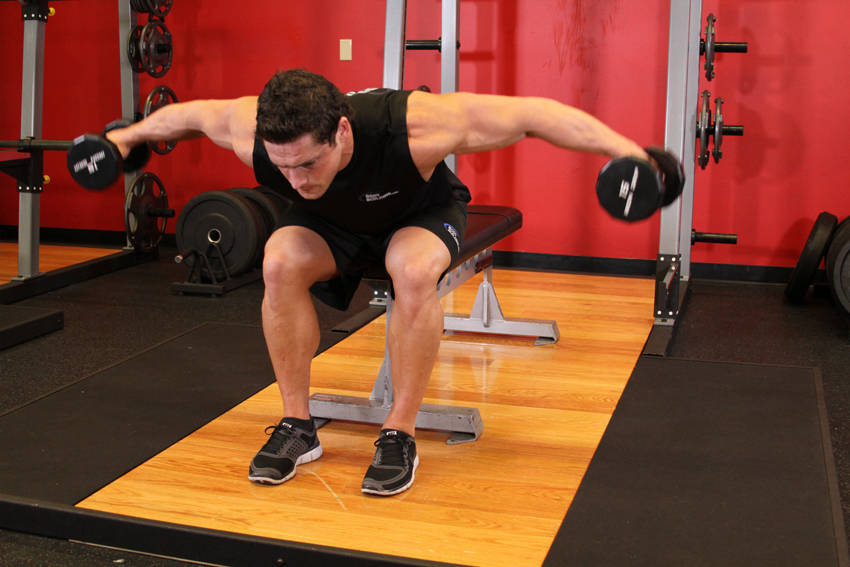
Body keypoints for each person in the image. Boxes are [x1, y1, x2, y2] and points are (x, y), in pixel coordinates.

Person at [107, 68, 651, 497]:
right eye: (284, 167)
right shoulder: (247, 128)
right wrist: (122, 141)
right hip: (332, 226)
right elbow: (178, 120)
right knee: (278, 262)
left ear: (341, 131)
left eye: (309, 164)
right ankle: (298, 424)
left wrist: (628, 153)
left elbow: (536, 114)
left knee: (411, 270)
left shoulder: (412, 125)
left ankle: (400, 432)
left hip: (417, 214)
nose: (297, 180)